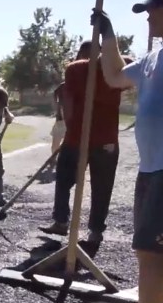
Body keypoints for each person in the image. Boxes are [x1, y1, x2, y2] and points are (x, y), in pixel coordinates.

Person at [93, 0, 163, 303]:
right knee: (162, 250)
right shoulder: (153, 57)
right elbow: (115, 76)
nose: (148, 17)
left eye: (153, 8)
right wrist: (107, 34)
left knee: (153, 251)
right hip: (152, 168)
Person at [39, 43, 134, 247]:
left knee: (101, 187)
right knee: (65, 180)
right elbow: (69, 102)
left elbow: (130, 72)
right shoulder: (76, 69)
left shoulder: (119, 67)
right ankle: (63, 221)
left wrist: (108, 60)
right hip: (79, 139)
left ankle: (95, 230)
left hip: (102, 141)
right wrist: (73, 128)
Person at [50, 82, 66, 165]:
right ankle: (54, 158)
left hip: (67, 119)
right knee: (56, 141)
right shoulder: (63, 86)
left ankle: (54, 158)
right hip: (62, 119)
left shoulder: (63, 86)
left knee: (57, 141)